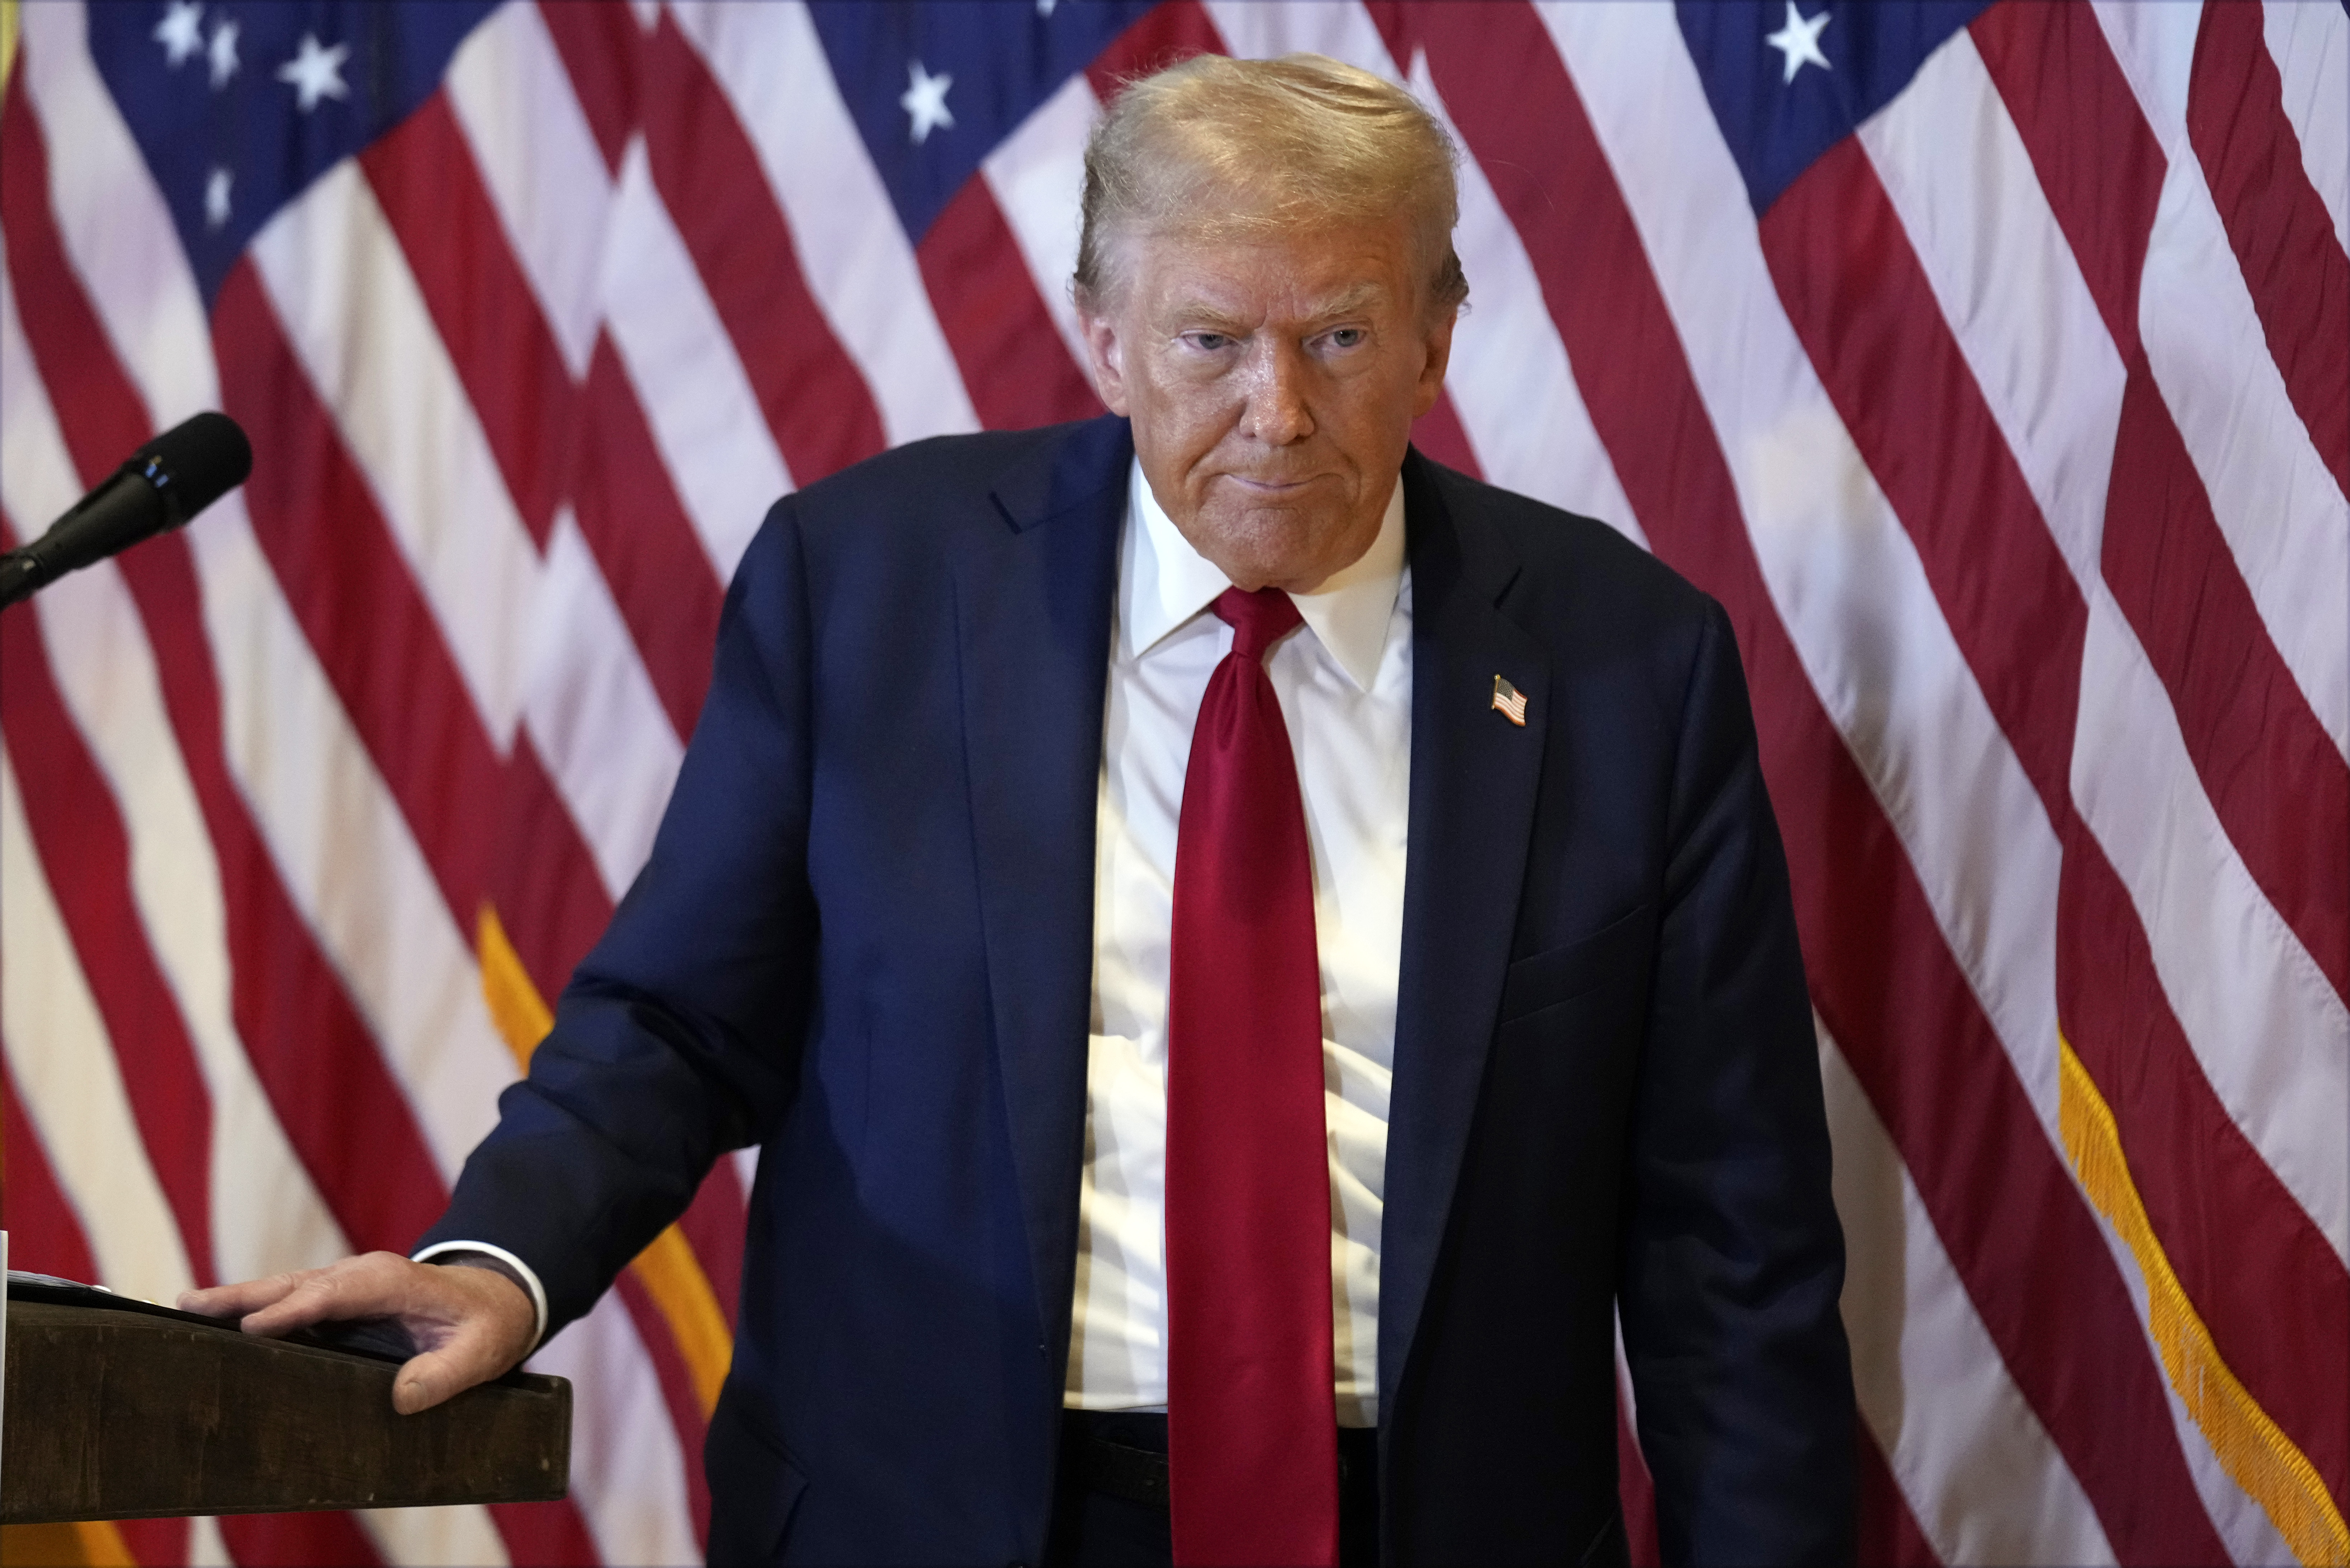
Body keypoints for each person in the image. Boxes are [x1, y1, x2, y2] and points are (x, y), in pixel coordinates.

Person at [186, 53, 1852, 1568]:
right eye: (1211, 342)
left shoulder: (1627, 664)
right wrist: (503, 1259)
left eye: (1337, 337)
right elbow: (677, 1021)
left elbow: (1732, 1244)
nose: (1275, 410)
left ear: (1433, 333)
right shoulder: (871, 589)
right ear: (1106, 335)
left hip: (1426, 1520)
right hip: (929, 1512)